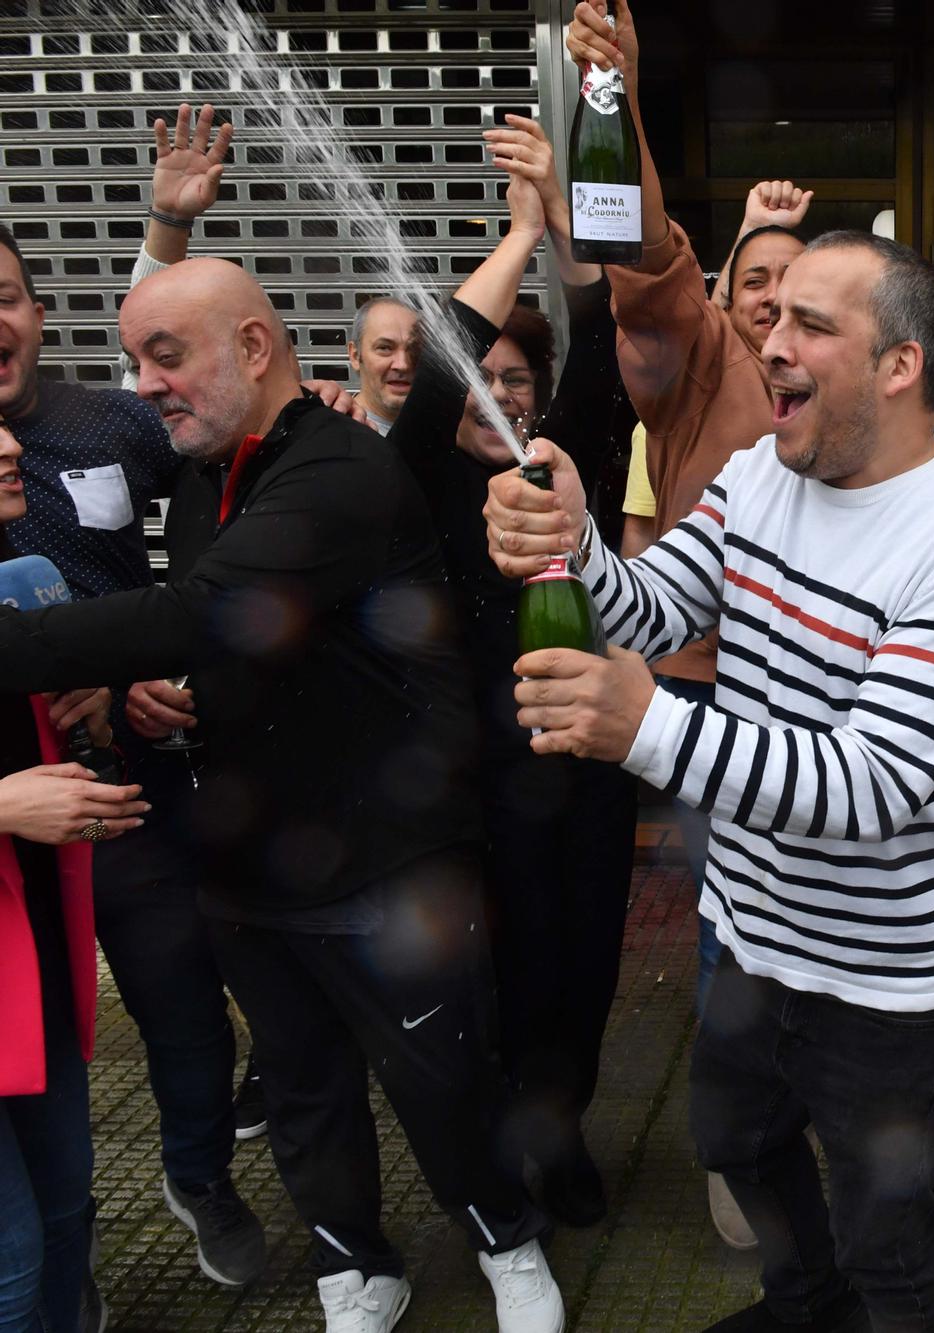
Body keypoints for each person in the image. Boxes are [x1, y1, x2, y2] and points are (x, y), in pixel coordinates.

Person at [483, 228, 934, 1333]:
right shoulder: (760, 472)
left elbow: (871, 787)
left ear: (898, 365)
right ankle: (805, 1302)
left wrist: (644, 724)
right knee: (735, 1136)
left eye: (809, 325)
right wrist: (577, 542)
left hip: (895, 973)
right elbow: (651, 610)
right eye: (769, 314)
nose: (769, 340)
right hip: (755, 926)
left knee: (891, 1230)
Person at [0, 257, 563, 1333]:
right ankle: (354, 1260)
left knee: (440, 1075)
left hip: (384, 858)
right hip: (246, 859)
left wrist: (138, 647)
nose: (144, 383)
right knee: (302, 1086)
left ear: (255, 348)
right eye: (131, 361)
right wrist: (166, 693)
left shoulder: (340, 468)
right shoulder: (206, 479)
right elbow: (240, 631)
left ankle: (506, 1236)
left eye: (166, 356)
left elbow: (209, 609)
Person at [0, 103, 272, 1292]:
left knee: (184, 1004)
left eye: (4, 295)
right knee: (42, 1043)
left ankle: (197, 1179)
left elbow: (219, 505)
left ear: (36, 313)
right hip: (14, 805)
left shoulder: (106, 421)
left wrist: (169, 681)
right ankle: (60, 1258)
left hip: (127, 792)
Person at [567, 0, 808, 1248]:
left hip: (826, 696)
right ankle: (736, 1143)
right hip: (713, 687)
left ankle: (802, 1113)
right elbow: (643, 261)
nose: (774, 306)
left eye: (796, 287)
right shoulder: (697, 355)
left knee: (810, 914)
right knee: (732, 925)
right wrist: (623, 101)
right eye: (752, 283)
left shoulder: (842, 390)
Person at [386, 112, 638, 1227]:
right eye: (482, 376)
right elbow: (443, 363)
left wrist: (566, 225)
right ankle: (502, 1152)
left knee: (583, 963)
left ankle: (566, 1128)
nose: (500, 393)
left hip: (583, 771)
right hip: (473, 787)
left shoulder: (564, 459)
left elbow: (596, 332)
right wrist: (517, 229)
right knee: (500, 974)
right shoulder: (417, 486)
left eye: (516, 378)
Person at [0, 420, 150, 1333]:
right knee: (12, 1268)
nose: (12, 442)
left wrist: (91, 708)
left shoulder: (23, 581)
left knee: (65, 1215)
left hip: (36, 974)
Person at [346, 298, 419, 435]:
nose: (403, 365)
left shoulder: (442, 431)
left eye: (413, 349)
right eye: (385, 348)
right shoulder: (336, 436)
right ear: (355, 355)